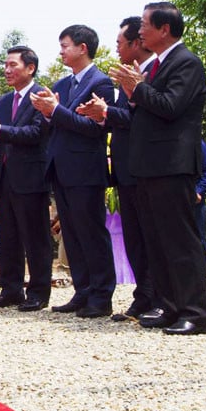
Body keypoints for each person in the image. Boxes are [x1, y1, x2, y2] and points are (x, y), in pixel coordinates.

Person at [110, 2, 206, 335]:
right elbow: (145, 111)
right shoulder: (154, 67)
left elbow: (170, 107)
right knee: (157, 243)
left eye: (145, 24)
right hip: (148, 167)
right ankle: (168, 306)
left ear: (164, 29)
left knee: (180, 243)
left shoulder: (186, 63)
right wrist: (135, 91)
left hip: (173, 165)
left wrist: (137, 89)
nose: (140, 30)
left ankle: (194, 313)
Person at [31, 24, 116, 318]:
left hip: (85, 169)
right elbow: (57, 123)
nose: (61, 51)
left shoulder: (101, 83)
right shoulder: (63, 84)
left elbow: (93, 129)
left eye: (65, 45)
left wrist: (55, 111)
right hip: (60, 167)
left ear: (83, 48)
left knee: (91, 232)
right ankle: (82, 291)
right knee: (73, 235)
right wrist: (46, 113)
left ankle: (102, 295)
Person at [76, 17, 157, 321]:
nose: (117, 47)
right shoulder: (127, 77)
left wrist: (108, 111)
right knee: (134, 238)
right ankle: (144, 295)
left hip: (147, 168)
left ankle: (157, 296)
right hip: (126, 167)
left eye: (121, 42)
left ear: (138, 43)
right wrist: (102, 114)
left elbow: (142, 120)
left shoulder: (150, 75)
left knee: (151, 237)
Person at [0, 46, 52, 311]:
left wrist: (0, 129)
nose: (7, 70)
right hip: (5, 176)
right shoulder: (5, 100)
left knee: (35, 238)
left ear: (30, 68)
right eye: (5, 65)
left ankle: (39, 292)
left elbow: (35, 134)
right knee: (6, 237)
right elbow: (0, 136)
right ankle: (11, 289)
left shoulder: (42, 97)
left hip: (31, 176)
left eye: (13, 65)